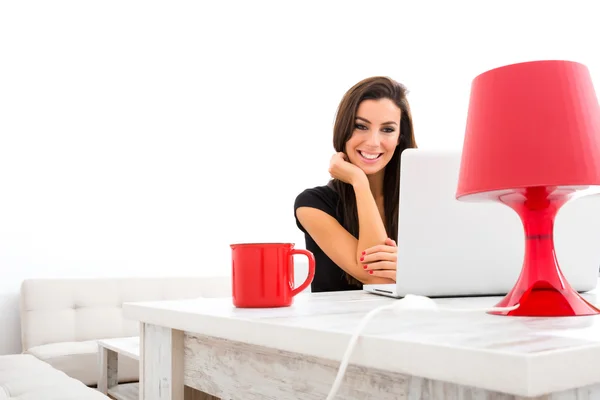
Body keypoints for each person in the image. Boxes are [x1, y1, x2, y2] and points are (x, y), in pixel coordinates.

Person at [294, 76, 418, 292]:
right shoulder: (312, 204)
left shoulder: (421, 199)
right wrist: (359, 182)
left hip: (412, 323)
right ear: (344, 128)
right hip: (337, 325)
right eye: (360, 126)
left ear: (400, 137)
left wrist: (413, 269)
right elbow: (379, 280)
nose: (372, 142)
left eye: (387, 129)